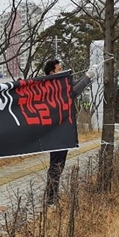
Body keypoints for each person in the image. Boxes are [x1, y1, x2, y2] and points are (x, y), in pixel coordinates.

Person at [43, 58, 97, 206]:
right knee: (55, 165)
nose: (62, 71)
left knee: (59, 165)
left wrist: (87, 76)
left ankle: (52, 197)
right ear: (52, 72)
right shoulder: (51, 86)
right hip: (55, 132)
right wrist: (87, 77)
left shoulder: (59, 84)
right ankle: (50, 199)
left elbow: (73, 86)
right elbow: (72, 93)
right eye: (59, 69)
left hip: (63, 131)